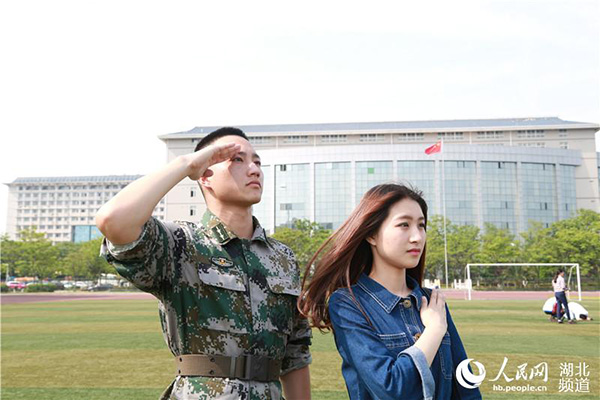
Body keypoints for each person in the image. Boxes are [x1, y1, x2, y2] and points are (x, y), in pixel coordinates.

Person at [96, 127, 311, 400]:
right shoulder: (182, 243)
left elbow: (295, 354)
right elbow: (112, 220)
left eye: (257, 162)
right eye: (237, 160)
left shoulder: (282, 257)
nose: (254, 170)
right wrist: (187, 164)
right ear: (206, 175)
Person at [299, 183, 482, 400]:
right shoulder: (348, 303)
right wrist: (434, 331)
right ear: (372, 235)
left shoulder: (432, 301)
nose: (417, 237)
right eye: (404, 225)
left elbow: (466, 387)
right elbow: (391, 389)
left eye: (421, 225)